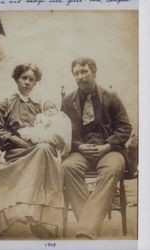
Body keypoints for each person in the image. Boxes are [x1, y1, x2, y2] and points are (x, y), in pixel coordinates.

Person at [0, 63, 71, 239]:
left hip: (39, 148)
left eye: (31, 79)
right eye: (24, 78)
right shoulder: (6, 103)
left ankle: (38, 220)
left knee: (45, 149)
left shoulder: (41, 106)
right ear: (17, 79)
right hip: (16, 153)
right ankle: (28, 217)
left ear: (36, 82)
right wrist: (21, 142)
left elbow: (52, 127)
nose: (27, 82)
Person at [61, 57, 132, 239]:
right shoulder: (68, 100)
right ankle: (89, 226)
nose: (80, 76)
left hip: (109, 149)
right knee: (68, 168)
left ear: (94, 72)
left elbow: (125, 128)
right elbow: (64, 131)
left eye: (84, 72)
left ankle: (85, 228)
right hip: (81, 150)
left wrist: (107, 146)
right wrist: (80, 146)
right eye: (76, 73)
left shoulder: (111, 97)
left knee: (111, 170)